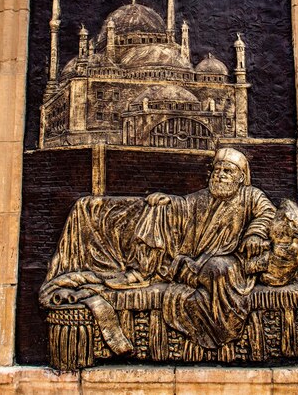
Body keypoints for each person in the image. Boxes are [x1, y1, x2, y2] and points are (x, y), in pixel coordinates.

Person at [40, 148, 282, 354]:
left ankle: (150, 274)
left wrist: (254, 234)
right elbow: (184, 205)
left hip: (223, 264)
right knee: (94, 209)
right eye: (217, 170)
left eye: (227, 172)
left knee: (218, 268)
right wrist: (168, 201)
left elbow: (268, 215)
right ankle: (112, 249)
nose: (220, 175)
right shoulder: (203, 199)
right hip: (192, 261)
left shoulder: (251, 196)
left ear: (240, 177)